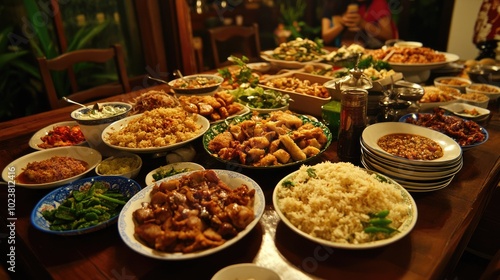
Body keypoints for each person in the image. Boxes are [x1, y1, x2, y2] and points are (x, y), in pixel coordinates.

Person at [321, 0, 398, 49]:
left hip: (371, 50)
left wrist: (363, 24)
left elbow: (389, 36)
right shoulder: (332, 4)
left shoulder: (376, 3)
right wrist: (344, 23)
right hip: (338, 50)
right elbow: (326, 37)